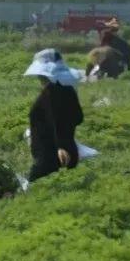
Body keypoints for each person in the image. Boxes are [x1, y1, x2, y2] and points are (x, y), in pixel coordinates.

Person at [23, 49, 84, 182]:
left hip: (50, 153)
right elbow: (78, 117)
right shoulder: (68, 89)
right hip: (67, 149)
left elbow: (56, 120)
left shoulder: (51, 93)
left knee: (36, 186)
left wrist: (60, 145)